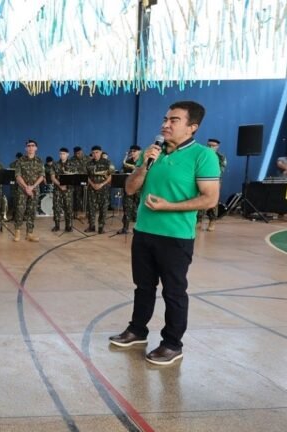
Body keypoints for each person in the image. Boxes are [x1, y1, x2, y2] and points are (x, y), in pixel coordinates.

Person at [109, 101, 220, 366]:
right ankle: (137, 330)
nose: (165, 124)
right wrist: (144, 165)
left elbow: (210, 199)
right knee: (143, 287)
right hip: (144, 232)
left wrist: (169, 206)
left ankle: (172, 344)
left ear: (192, 127)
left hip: (175, 237)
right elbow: (130, 189)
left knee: (174, 292)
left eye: (173, 120)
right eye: (165, 119)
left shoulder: (203, 156)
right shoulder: (152, 152)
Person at [13, 140, 45, 242]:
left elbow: (42, 176)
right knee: (20, 210)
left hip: (34, 190)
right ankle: (17, 232)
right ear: (26, 148)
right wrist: (26, 187)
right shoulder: (20, 160)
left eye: (33, 145)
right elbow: (18, 176)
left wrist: (32, 187)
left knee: (32, 211)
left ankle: (29, 234)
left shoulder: (39, 161)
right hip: (22, 189)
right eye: (28, 146)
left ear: (36, 148)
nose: (30, 147)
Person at [200, 139, 227, 231]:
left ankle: (212, 221)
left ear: (217, 147)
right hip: (201, 180)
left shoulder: (221, 157)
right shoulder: (202, 154)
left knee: (213, 201)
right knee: (199, 199)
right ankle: (198, 220)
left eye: (213, 146)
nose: (210, 147)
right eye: (209, 145)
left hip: (214, 181)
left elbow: (220, 170)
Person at [86, 145, 114, 234]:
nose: (95, 154)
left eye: (97, 152)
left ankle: (101, 227)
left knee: (103, 208)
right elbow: (86, 176)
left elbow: (111, 176)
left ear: (101, 152)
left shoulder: (107, 162)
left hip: (104, 189)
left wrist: (101, 184)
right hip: (92, 189)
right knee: (91, 208)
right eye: (93, 153)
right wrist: (93, 184)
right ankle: (91, 226)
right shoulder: (89, 164)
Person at [51, 148, 78, 232]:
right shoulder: (55, 164)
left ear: (67, 154)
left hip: (68, 189)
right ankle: (57, 225)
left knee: (68, 207)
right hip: (57, 189)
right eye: (60, 154)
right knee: (56, 207)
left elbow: (75, 177)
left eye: (63, 154)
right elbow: (52, 177)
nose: (61, 155)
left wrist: (66, 185)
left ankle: (68, 226)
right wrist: (60, 185)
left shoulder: (73, 164)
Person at [118, 145, 142, 234]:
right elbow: (123, 173)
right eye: (131, 151)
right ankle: (125, 228)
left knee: (139, 208)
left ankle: (139, 229)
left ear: (140, 152)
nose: (132, 153)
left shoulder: (144, 161)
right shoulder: (128, 162)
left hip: (140, 189)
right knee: (126, 207)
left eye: (134, 151)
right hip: (129, 188)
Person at [9, 152, 22, 220]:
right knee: (14, 200)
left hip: (22, 185)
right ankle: (14, 216)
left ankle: (21, 216)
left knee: (21, 200)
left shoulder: (24, 164)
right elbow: (10, 174)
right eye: (18, 158)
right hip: (14, 184)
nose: (19, 159)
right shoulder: (12, 164)